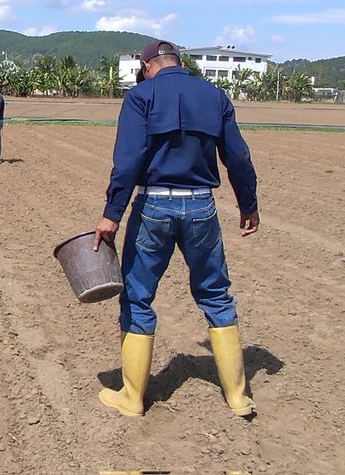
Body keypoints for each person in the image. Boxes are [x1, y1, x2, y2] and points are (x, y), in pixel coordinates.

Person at [93, 40, 260, 418]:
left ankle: (132, 397)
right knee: (216, 294)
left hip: (154, 204)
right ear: (179, 63)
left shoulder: (141, 96)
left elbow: (128, 161)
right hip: (201, 204)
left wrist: (111, 214)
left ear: (148, 65)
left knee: (137, 296)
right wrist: (248, 204)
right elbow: (238, 156)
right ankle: (237, 395)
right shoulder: (215, 95)